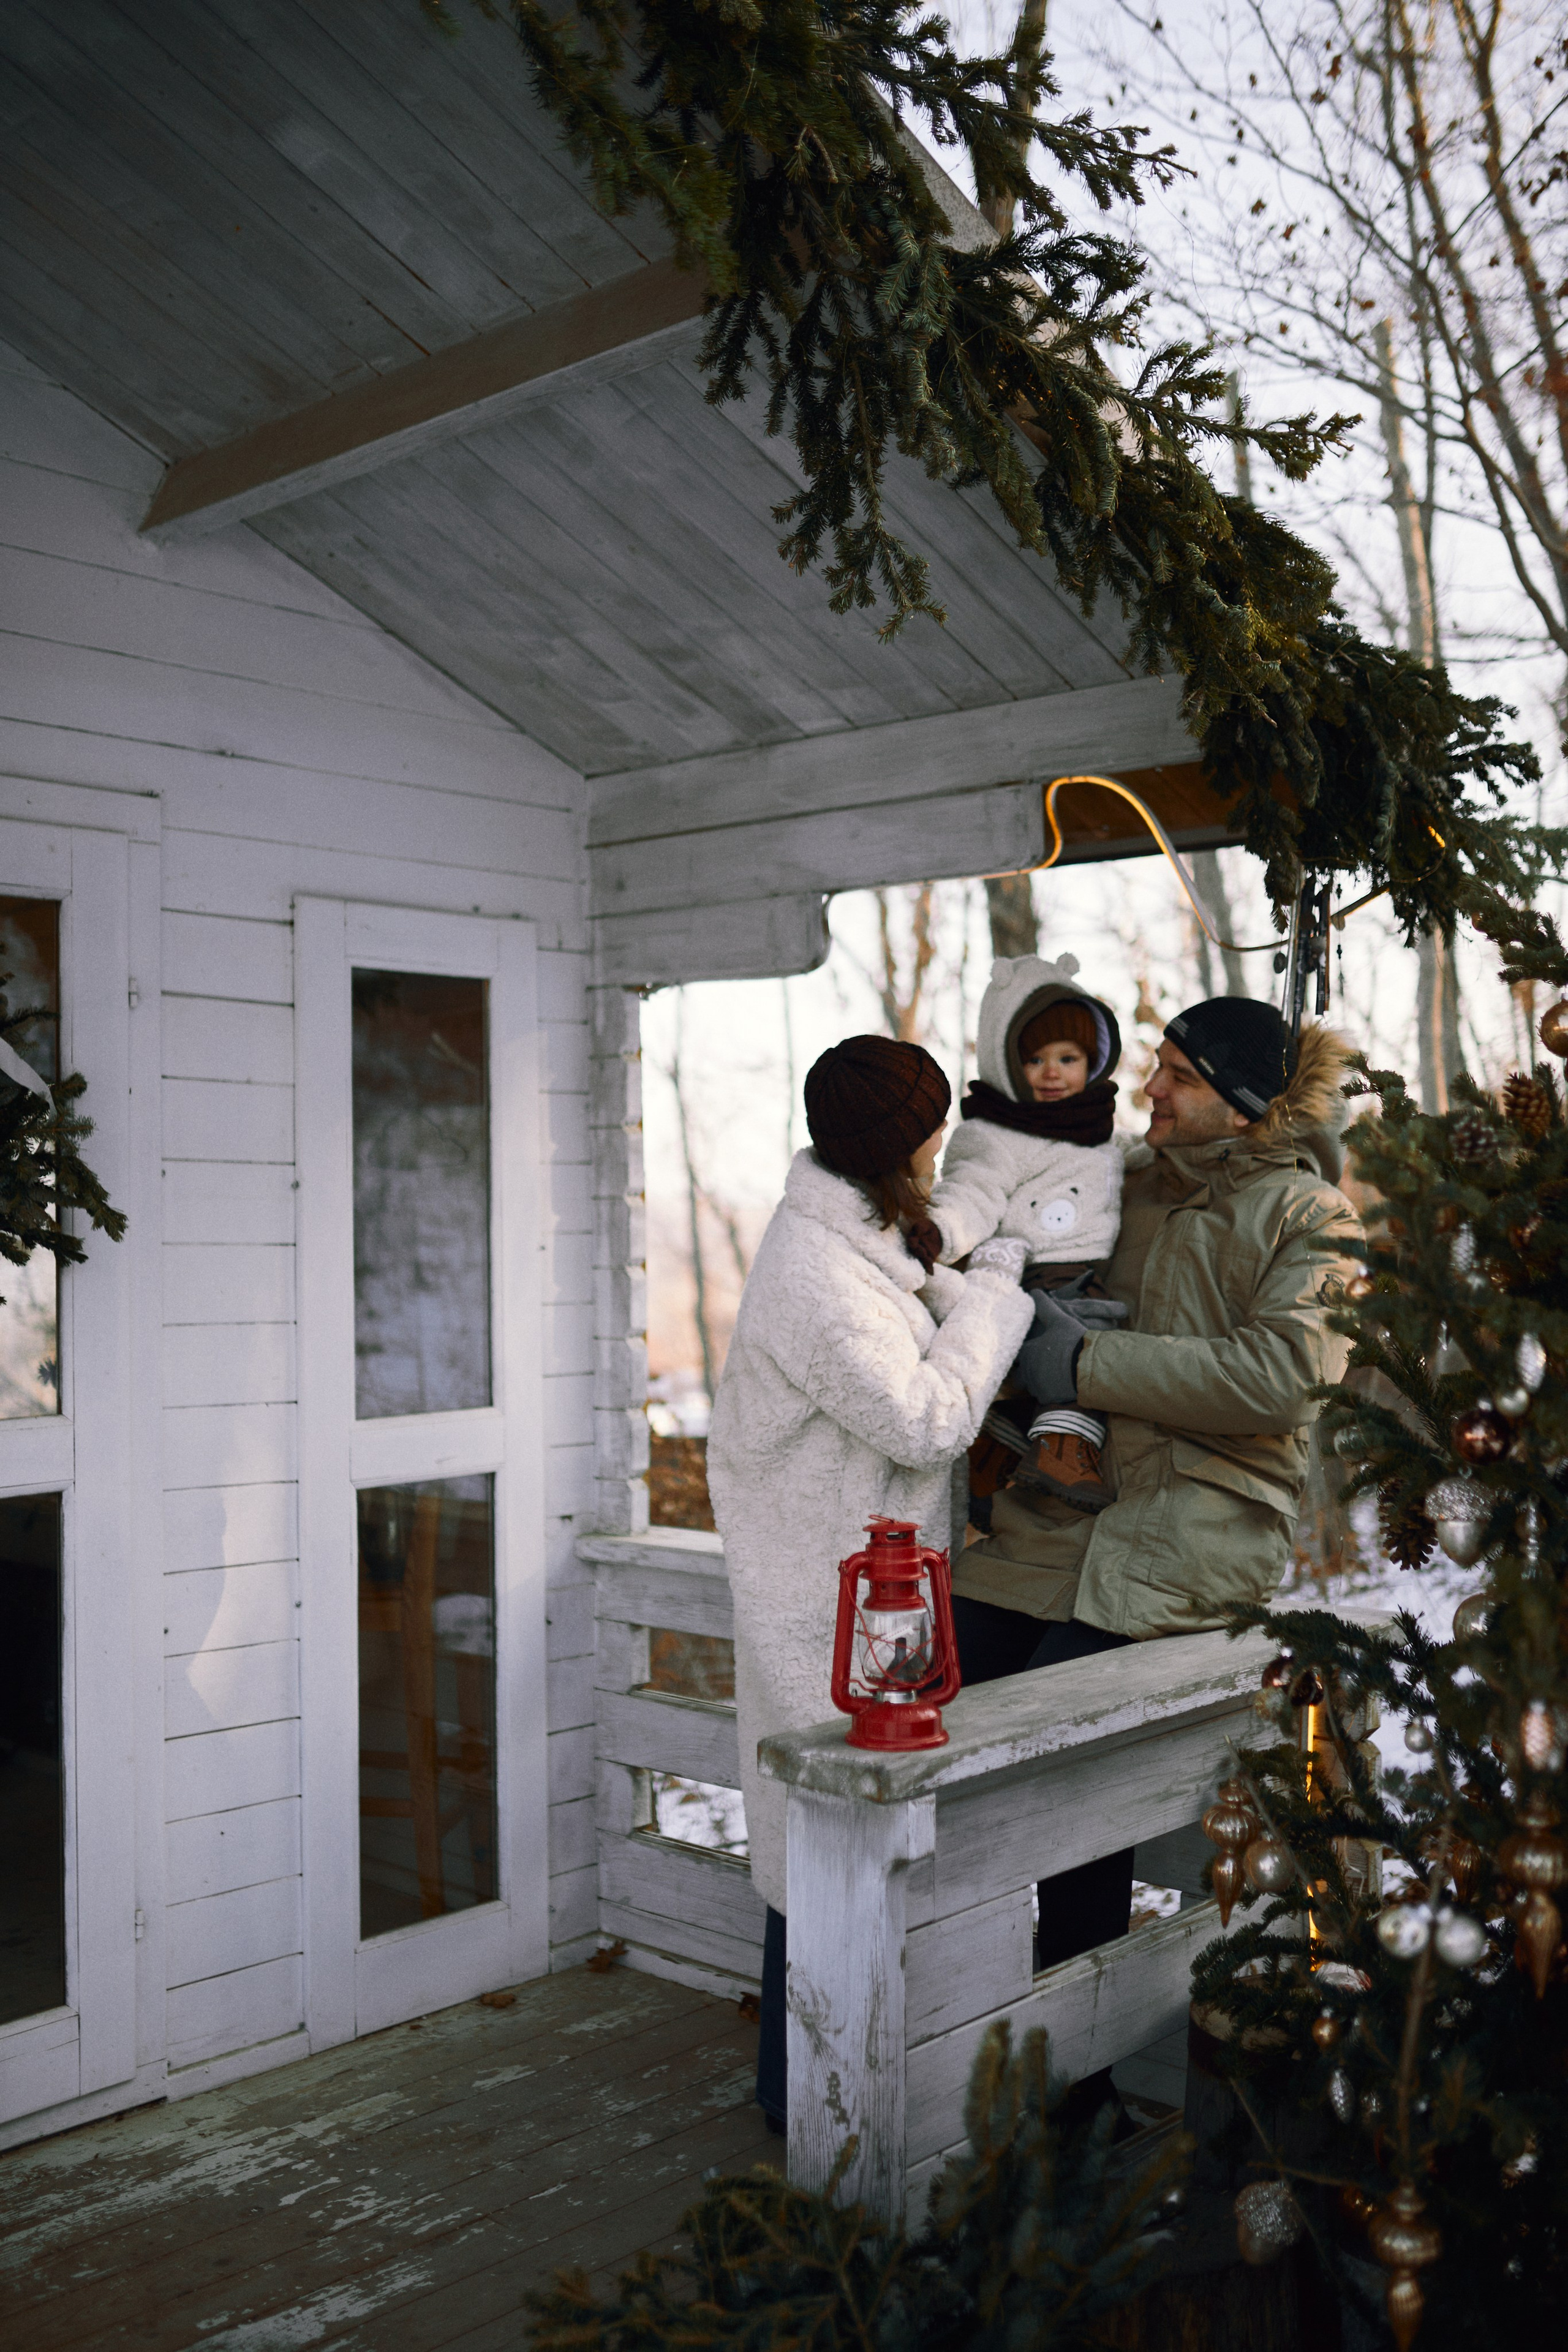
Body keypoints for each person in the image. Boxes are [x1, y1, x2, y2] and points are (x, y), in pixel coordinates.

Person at [953, 997, 1362, 2121]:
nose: (1151, 1090)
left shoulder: (1312, 1217)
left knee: (1061, 1764)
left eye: (1177, 1075)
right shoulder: (1123, 1184)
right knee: (920, 1699)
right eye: (1158, 1068)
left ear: (1244, 1104)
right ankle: (941, 2038)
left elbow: (1279, 1378)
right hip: (1054, 1528)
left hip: (1194, 1539)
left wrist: (1086, 1367)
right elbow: (1026, 1252)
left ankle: (1074, 2094)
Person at [706, 1035, 1035, 2135]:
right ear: (900, 1143)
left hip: (859, 1591)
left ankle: (834, 2096)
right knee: (827, 1845)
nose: (943, 1143)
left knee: (839, 1844)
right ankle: (803, 2107)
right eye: (933, 1127)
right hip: (821, 1595)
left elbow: (909, 1307)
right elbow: (926, 1417)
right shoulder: (814, 1276)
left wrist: (963, 1281)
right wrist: (998, 1302)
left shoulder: (855, 1240)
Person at [927, 952, 1129, 1515]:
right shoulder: (996, 1134)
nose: (1051, 1073)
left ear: (1094, 1060)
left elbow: (1125, 1166)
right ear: (1006, 1061)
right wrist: (941, 1230)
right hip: (1026, 1273)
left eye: (1068, 1058)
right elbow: (972, 1190)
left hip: (1080, 1273)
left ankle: (1001, 1446)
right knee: (1080, 1343)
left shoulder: (1098, 1130)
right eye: (1034, 1059)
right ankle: (1063, 1445)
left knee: (1096, 1331)